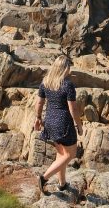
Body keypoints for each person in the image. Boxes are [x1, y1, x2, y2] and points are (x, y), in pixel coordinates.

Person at [34, 55, 83, 194]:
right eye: (68, 67)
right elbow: (73, 109)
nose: (69, 70)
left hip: (49, 122)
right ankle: (44, 178)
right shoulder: (67, 84)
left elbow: (39, 103)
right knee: (70, 154)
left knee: (61, 153)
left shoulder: (46, 82)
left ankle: (62, 184)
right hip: (63, 124)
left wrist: (37, 118)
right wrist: (79, 125)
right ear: (64, 68)